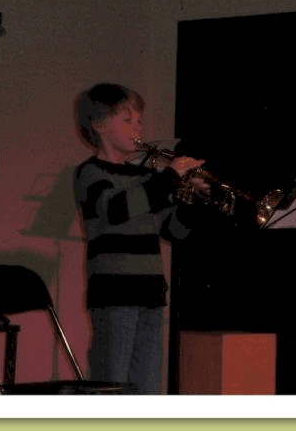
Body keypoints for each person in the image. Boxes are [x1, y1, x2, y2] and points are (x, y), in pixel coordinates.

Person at [73, 83, 206, 394]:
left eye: (139, 121)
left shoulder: (146, 178)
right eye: (127, 120)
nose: (138, 127)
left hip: (151, 292)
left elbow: (174, 231)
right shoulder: (90, 173)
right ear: (99, 125)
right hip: (114, 293)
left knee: (148, 390)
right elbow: (115, 209)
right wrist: (169, 178)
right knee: (112, 388)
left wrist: (190, 201)